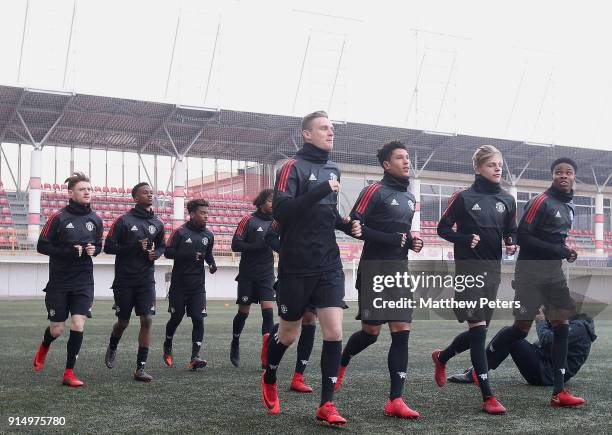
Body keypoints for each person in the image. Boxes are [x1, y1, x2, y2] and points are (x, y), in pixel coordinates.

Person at [260, 110, 361, 426]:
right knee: (288, 335)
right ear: (306, 134)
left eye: (332, 129)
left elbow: (327, 214)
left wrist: (348, 225)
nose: (330, 133)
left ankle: (326, 405)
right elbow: (284, 210)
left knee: (334, 331)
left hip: (328, 263)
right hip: (296, 265)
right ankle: (271, 375)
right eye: (323, 128)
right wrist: (321, 189)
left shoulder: (333, 169)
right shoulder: (291, 166)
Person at [471, 158, 587, 407]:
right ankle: (478, 369)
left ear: (574, 177)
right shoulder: (540, 201)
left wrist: (565, 251)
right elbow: (523, 236)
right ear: (552, 176)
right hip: (530, 274)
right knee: (520, 329)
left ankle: (559, 392)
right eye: (558, 172)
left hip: (554, 275)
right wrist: (560, 250)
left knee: (562, 326)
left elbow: (555, 241)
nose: (563, 176)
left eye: (568, 172)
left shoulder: (569, 207)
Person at [335, 141, 424, 419]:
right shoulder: (374, 190)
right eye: (400, 158)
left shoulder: (409, 198)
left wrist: (411, 240)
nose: (406, 161)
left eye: (407, 157)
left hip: (399, 270)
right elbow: (355, 227)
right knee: (371, 334)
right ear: (386, 164)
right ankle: (343, 359)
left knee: (402, 332)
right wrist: (393, 238)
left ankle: (395, 399)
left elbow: (401, 234)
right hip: (374, 270)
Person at [432, 145, 517, 414]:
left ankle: (442, 357)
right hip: (468, 272)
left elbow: (510, 229)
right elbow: (442, 229)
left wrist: (511, 241)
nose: (498, 168)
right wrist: (464, 238)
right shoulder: (463, 198)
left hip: (493, 272)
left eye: (500, 164)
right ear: (478, 168)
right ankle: (488, 396)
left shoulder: (508, 200)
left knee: (477, 333)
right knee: (478, 333)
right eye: (492, 164)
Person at [33, 172, 103, 386]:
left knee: (78, 323)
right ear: (71, 193)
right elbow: (42, 246)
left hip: (83, 280)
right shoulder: (58, 217)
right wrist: (68, 250)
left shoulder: (96, 219)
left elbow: (99, 245)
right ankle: (45, 345)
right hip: (60, 281)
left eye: (89, 189)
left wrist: (94, 250)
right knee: (57, 329)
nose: (87, 192)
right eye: (82, 189)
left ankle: (69, 373)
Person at [103, 182, 165, 382]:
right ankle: (113, 345)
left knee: (147, 319)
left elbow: (163, 245)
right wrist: (132, 246)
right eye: (145, 192)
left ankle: (140, 368)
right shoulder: (123, 221)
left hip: (146, 279)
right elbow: (108, 247)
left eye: (151, 192)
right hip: (124, 279)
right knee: (123, 322)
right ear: (135, 197)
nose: (149, 194)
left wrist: (157, 253)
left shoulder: (158, 223)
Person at [448, 310, 597, 386]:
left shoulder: (579, 329)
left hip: (547, 375)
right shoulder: (575, 324)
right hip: (547, 366)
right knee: (511, 334)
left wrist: (540, 321)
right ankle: (477, 370)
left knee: (512, 336)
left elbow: (547, 340)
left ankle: (476, 371)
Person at [163, 199, 216, 370]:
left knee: (199, 319)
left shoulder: (209, 235)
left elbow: (207, 255)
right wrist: (188, 254)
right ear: (192, 214)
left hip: (197, 286)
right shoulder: (180, 232)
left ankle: (195, 357)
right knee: (176, 317)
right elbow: (168, 252)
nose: (206, 215)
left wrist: (212, 264)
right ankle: (168, 344)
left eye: (207, 212)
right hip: (179, 285)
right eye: (203, 213)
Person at [265, 220, 317, 393]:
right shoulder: (288, 208)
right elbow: (270, 236)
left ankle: (298, 377)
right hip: (291, 276)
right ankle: (270, 367)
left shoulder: (325, 205)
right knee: (288, 331)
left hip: (316, 274)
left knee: (310, 320)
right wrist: (288, 251)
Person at [230, 189, 276, 369]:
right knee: (243, 312)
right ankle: (235, 341)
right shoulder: (248, 220)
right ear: (262, 201)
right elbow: (235, 244)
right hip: (248, 274)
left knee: (268, 311)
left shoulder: (276, 222)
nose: (273, 203)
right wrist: (257, 245)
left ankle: (267, 351)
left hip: (266, 274)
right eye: (271, 200)